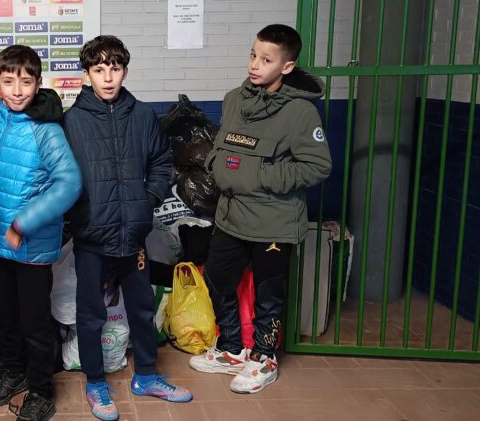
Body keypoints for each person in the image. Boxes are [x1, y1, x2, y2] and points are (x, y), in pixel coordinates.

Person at [189, 24, 332, 394]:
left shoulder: (300, 113)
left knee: (269, 294)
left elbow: (317, 166)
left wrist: (261, 174)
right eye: (253, 55)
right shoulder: (235, 98)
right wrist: (217, 165)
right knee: (217, 280)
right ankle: (232, 349)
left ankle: (264, 358)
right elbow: (227, 145)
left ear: (286, 66)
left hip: (273, 221)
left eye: (266, 59)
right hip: (230, 214)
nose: (255, 64)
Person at [61, 35, 193, 421]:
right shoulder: (73, 121)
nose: (107, 77)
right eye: (99, 69)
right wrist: (78, 213)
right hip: (92, 236)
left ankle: (147, 375)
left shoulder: (142, 115)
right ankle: (96, 382)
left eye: (114, 68)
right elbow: (63, 176)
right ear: (86, 75)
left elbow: (161, 163)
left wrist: (145, 200)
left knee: (139, 306)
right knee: (90, 313)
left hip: (134, 234)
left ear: (125, 71)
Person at [0, 45, 81, 421]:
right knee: (5, 317)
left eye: (26, 81)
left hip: (32, 247)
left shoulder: (47, 131)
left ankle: (40, 391)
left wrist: (24, 222)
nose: (17, 90)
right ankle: (13, 373)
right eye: (8, 81)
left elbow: (69, 184)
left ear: (38, 84)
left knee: (36, 325)